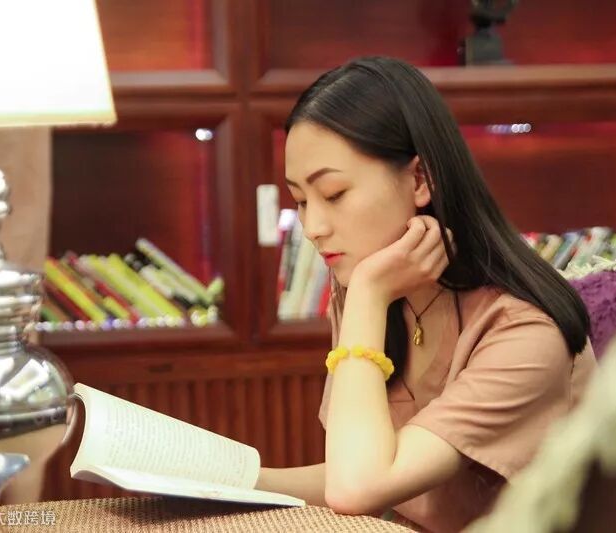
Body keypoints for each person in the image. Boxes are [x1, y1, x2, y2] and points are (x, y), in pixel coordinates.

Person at [254, 56, 597, 532]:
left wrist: (369, 296)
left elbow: (357, 489)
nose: (312, 227)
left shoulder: (524, 332)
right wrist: (233, 482)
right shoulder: (369, 281)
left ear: (420, 180)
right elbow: (360, 466)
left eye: (332, 194)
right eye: (300, 200)